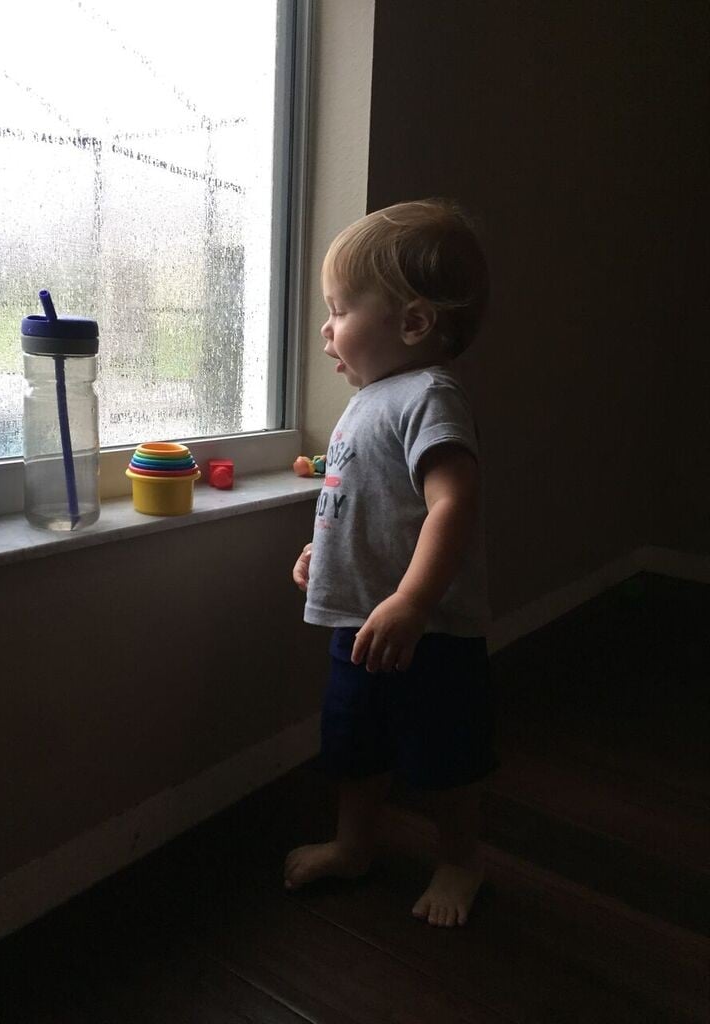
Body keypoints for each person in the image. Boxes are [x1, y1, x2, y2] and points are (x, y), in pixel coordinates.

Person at [285, 198, 499, 927]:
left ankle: (461, 858)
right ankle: (355, 846)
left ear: (411, 324)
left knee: (445, 756)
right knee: (355, 745)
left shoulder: (429, 396)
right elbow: (368, 504)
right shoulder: (367, 402)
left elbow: (451, 505)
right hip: (358, 623)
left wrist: (410, 603)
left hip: (427, 632)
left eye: (340, 309)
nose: (326, 329)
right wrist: (327, 550)